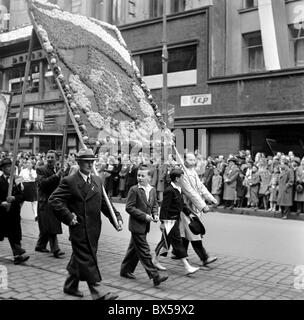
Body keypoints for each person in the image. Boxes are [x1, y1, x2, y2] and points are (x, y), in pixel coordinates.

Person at [48, 148, 123, 300]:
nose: (89, 165)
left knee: (81, 257)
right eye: (86, 162)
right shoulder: (70, 181)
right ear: (79, 163)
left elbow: (105, 204)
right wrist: (68, 216)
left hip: (94, 228)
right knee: (87, 258)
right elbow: (54, 200)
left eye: (92, 162)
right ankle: (98, 292)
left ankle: (70, 286)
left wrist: (116, 218)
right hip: (79, 227)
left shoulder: (97, 180)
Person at [120, 165, 168, 286]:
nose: (140, 178)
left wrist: (155, 214)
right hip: (136, 225)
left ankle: (125, 270)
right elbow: (129, 207)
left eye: (143, 175)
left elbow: (155, 204)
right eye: (138, 175)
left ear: (150, 178)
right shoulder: (134, 189)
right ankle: (155, 276)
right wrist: (145, 216)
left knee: (134, 249)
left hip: (145, 226)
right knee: (144, 251)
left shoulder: (152, 190)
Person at [153, 169, 200, 275]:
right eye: (183, 177)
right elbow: (164, 207)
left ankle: (154, 260)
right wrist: (162, 222)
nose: (184, 179)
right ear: (177, 179)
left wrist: (189, 214)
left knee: (165, 241)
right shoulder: (169, 190)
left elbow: (181, 204)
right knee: (177, 242)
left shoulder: (178, 188)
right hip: (169, 220)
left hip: (175, 219)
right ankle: (187, 267)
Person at [179, 153, 218, 267]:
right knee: (194, 231)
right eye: (190, 159)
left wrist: (210, 198)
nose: (192, 161)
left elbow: (201, 187)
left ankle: (180, 253)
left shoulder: (192, 171)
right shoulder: (183, 173)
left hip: (194, 205)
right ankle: (204, 257)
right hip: (186, 206)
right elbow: (189, 192)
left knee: (186, 232)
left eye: (193, 159)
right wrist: (203, 206)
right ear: (184, 160)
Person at [35, 150, 65, 258]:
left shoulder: (57, 170)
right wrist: (57, 176)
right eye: (48, 157)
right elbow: (43, 184)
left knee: (47, 225)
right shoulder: (40, 169)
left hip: (54, 201)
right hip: (45, 202)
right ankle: (55, 249)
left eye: (52, 157)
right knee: (51, 225)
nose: (50, 159)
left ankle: (40, 245)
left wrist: (61, 176)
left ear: (56, 159)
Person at [0, 158, 30, 265]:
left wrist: (14, 198)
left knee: (15, 234)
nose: (10, 169)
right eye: (7, 167)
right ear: (2, 169)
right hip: (2, 213)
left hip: (14, 213)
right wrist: (2, 203)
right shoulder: (0, 180)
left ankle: (18, 255)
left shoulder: (17, 180)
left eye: (11, 166)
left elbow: (23, 196)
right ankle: (19, 253)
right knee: (6, 233)